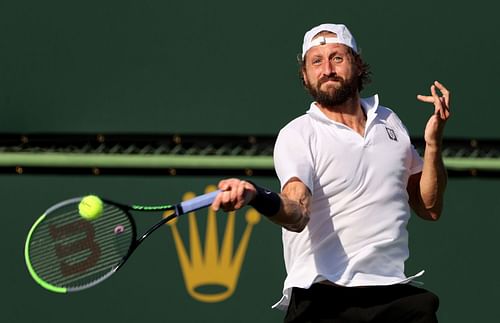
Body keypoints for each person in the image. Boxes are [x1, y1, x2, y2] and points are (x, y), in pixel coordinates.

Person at [212, 23, 450, 323]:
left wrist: (433, 144)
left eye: (337, 57)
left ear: (357, 64)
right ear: (305, 74)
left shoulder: (389, 122)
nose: (327, 68)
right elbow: (297, 213)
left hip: (394, 296)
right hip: (324, 302)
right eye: (316, 61)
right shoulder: (298, 134)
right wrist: (257, 196)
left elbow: (429, 207)